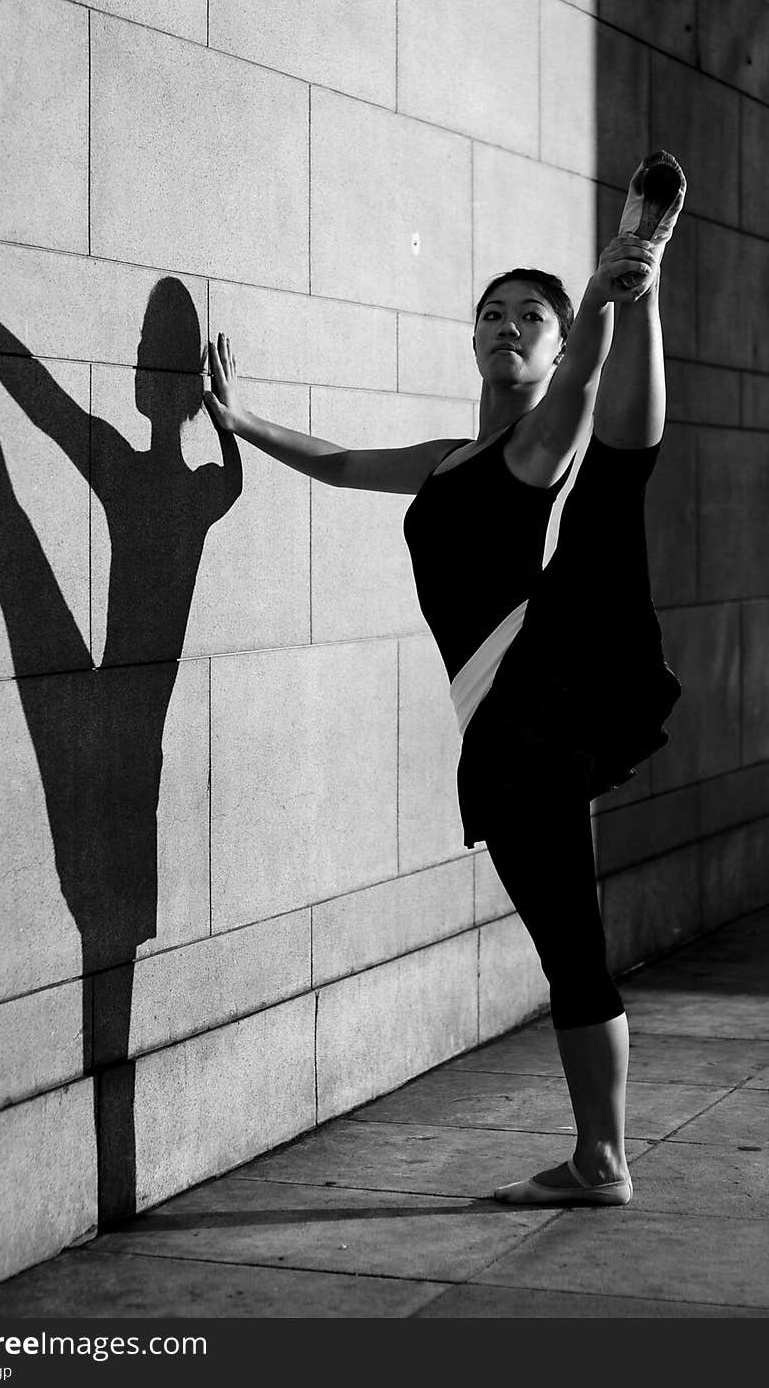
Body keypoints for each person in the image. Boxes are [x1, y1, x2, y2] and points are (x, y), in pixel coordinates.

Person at [204, 151, 686, 1207]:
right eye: (494, 313)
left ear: (552, 345)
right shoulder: (440, 462)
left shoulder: (532, 444)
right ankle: (597, 1156)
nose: (507, 325)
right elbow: (337, 463)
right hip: (508, 722)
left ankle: (601, 1160)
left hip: (534, 676)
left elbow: (585, 378)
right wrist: (244, 427)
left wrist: (611, 295)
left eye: (530, 316)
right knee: (569, 934)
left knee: (610, 493)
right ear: (473, 336)